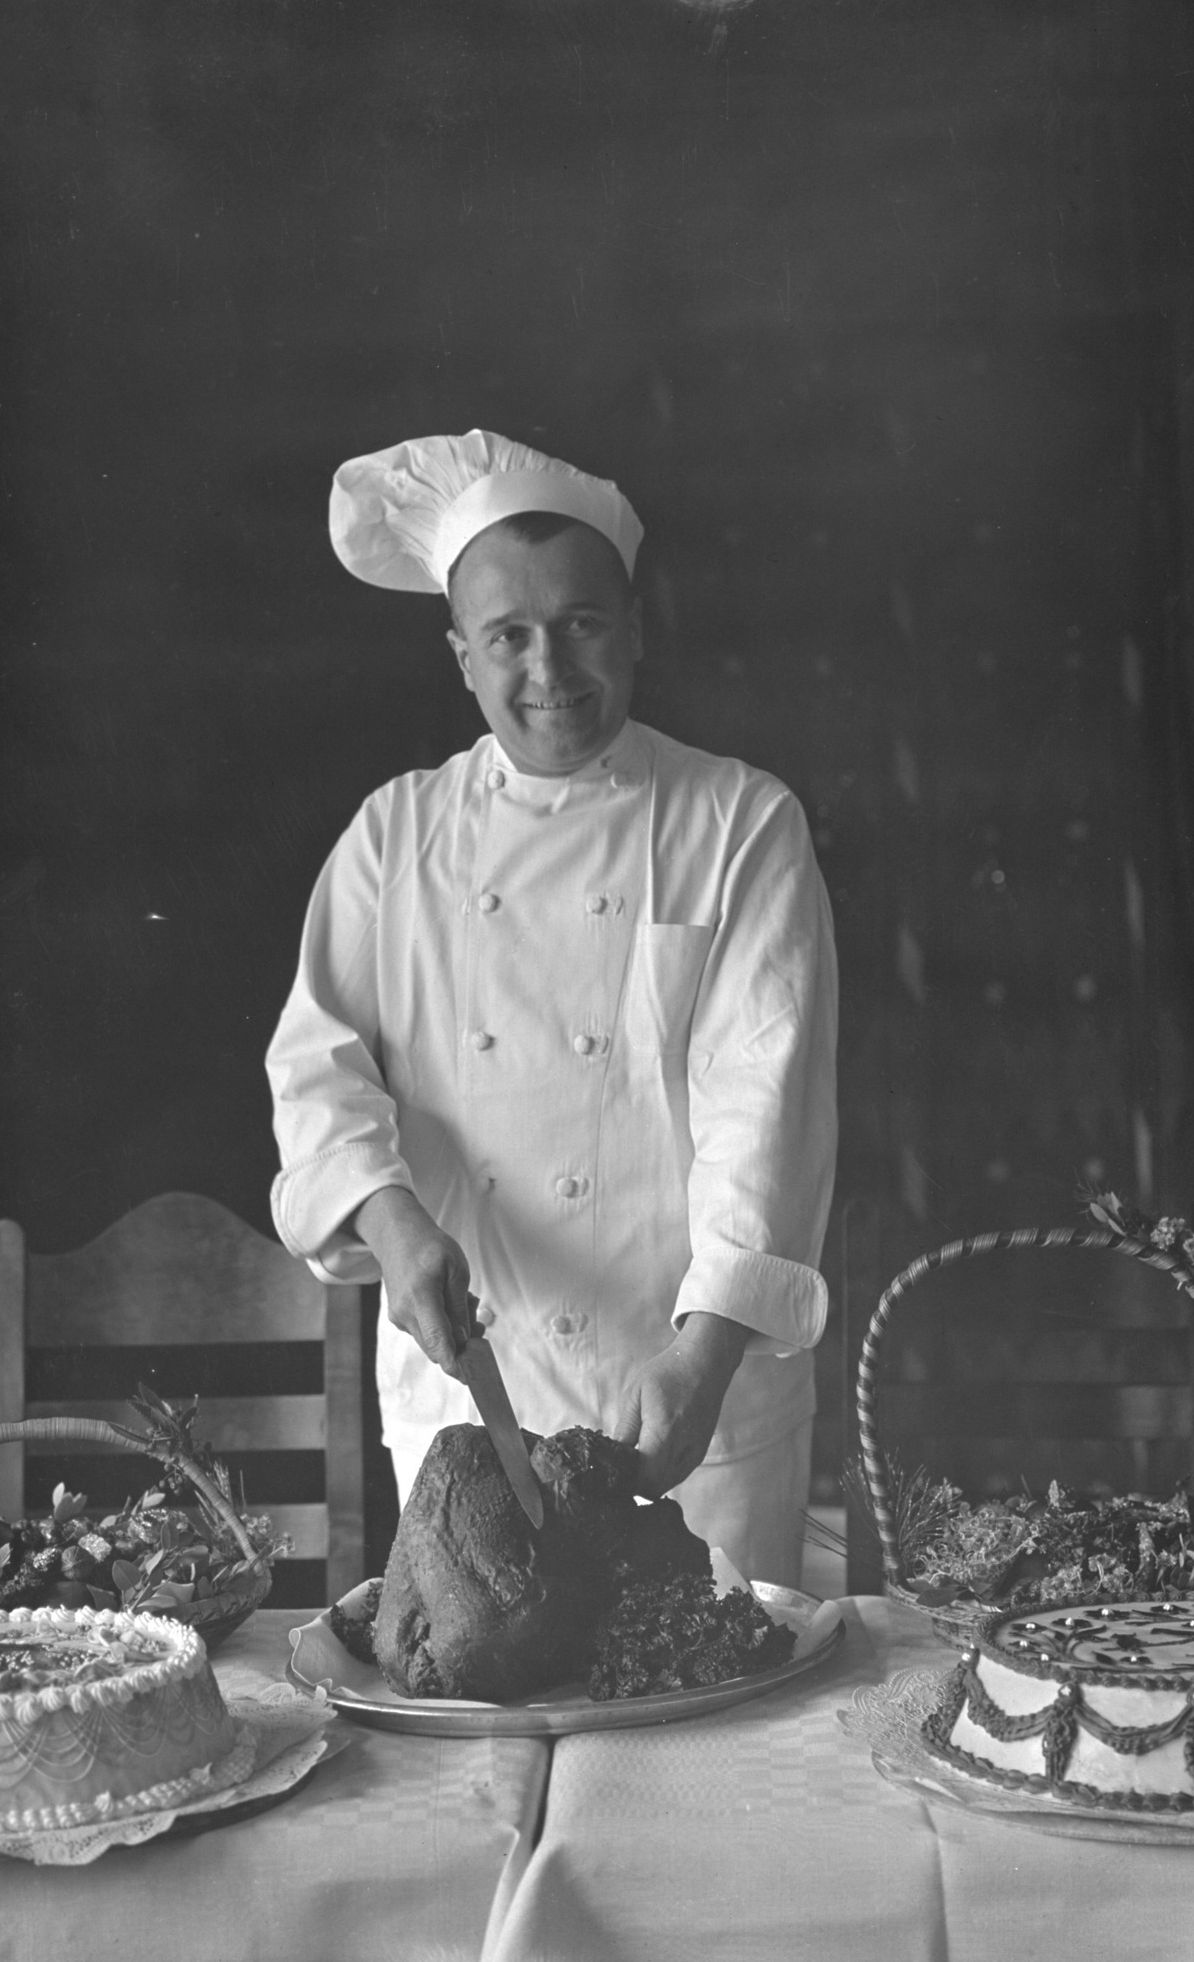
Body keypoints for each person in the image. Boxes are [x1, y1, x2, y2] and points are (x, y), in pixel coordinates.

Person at [265, 430, 837, 1586]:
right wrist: (392, 1222)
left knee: (707, 1735)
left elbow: (760, 1109)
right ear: (459, 658)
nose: (548, 670)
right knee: (483, 1713)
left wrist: (708, 1350)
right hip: (466, 1410)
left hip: (692, 1410)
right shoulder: (394, 838)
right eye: (506, 636)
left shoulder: (739, 822)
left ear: (631, 628)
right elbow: (316, 1071)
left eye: (579, 623)